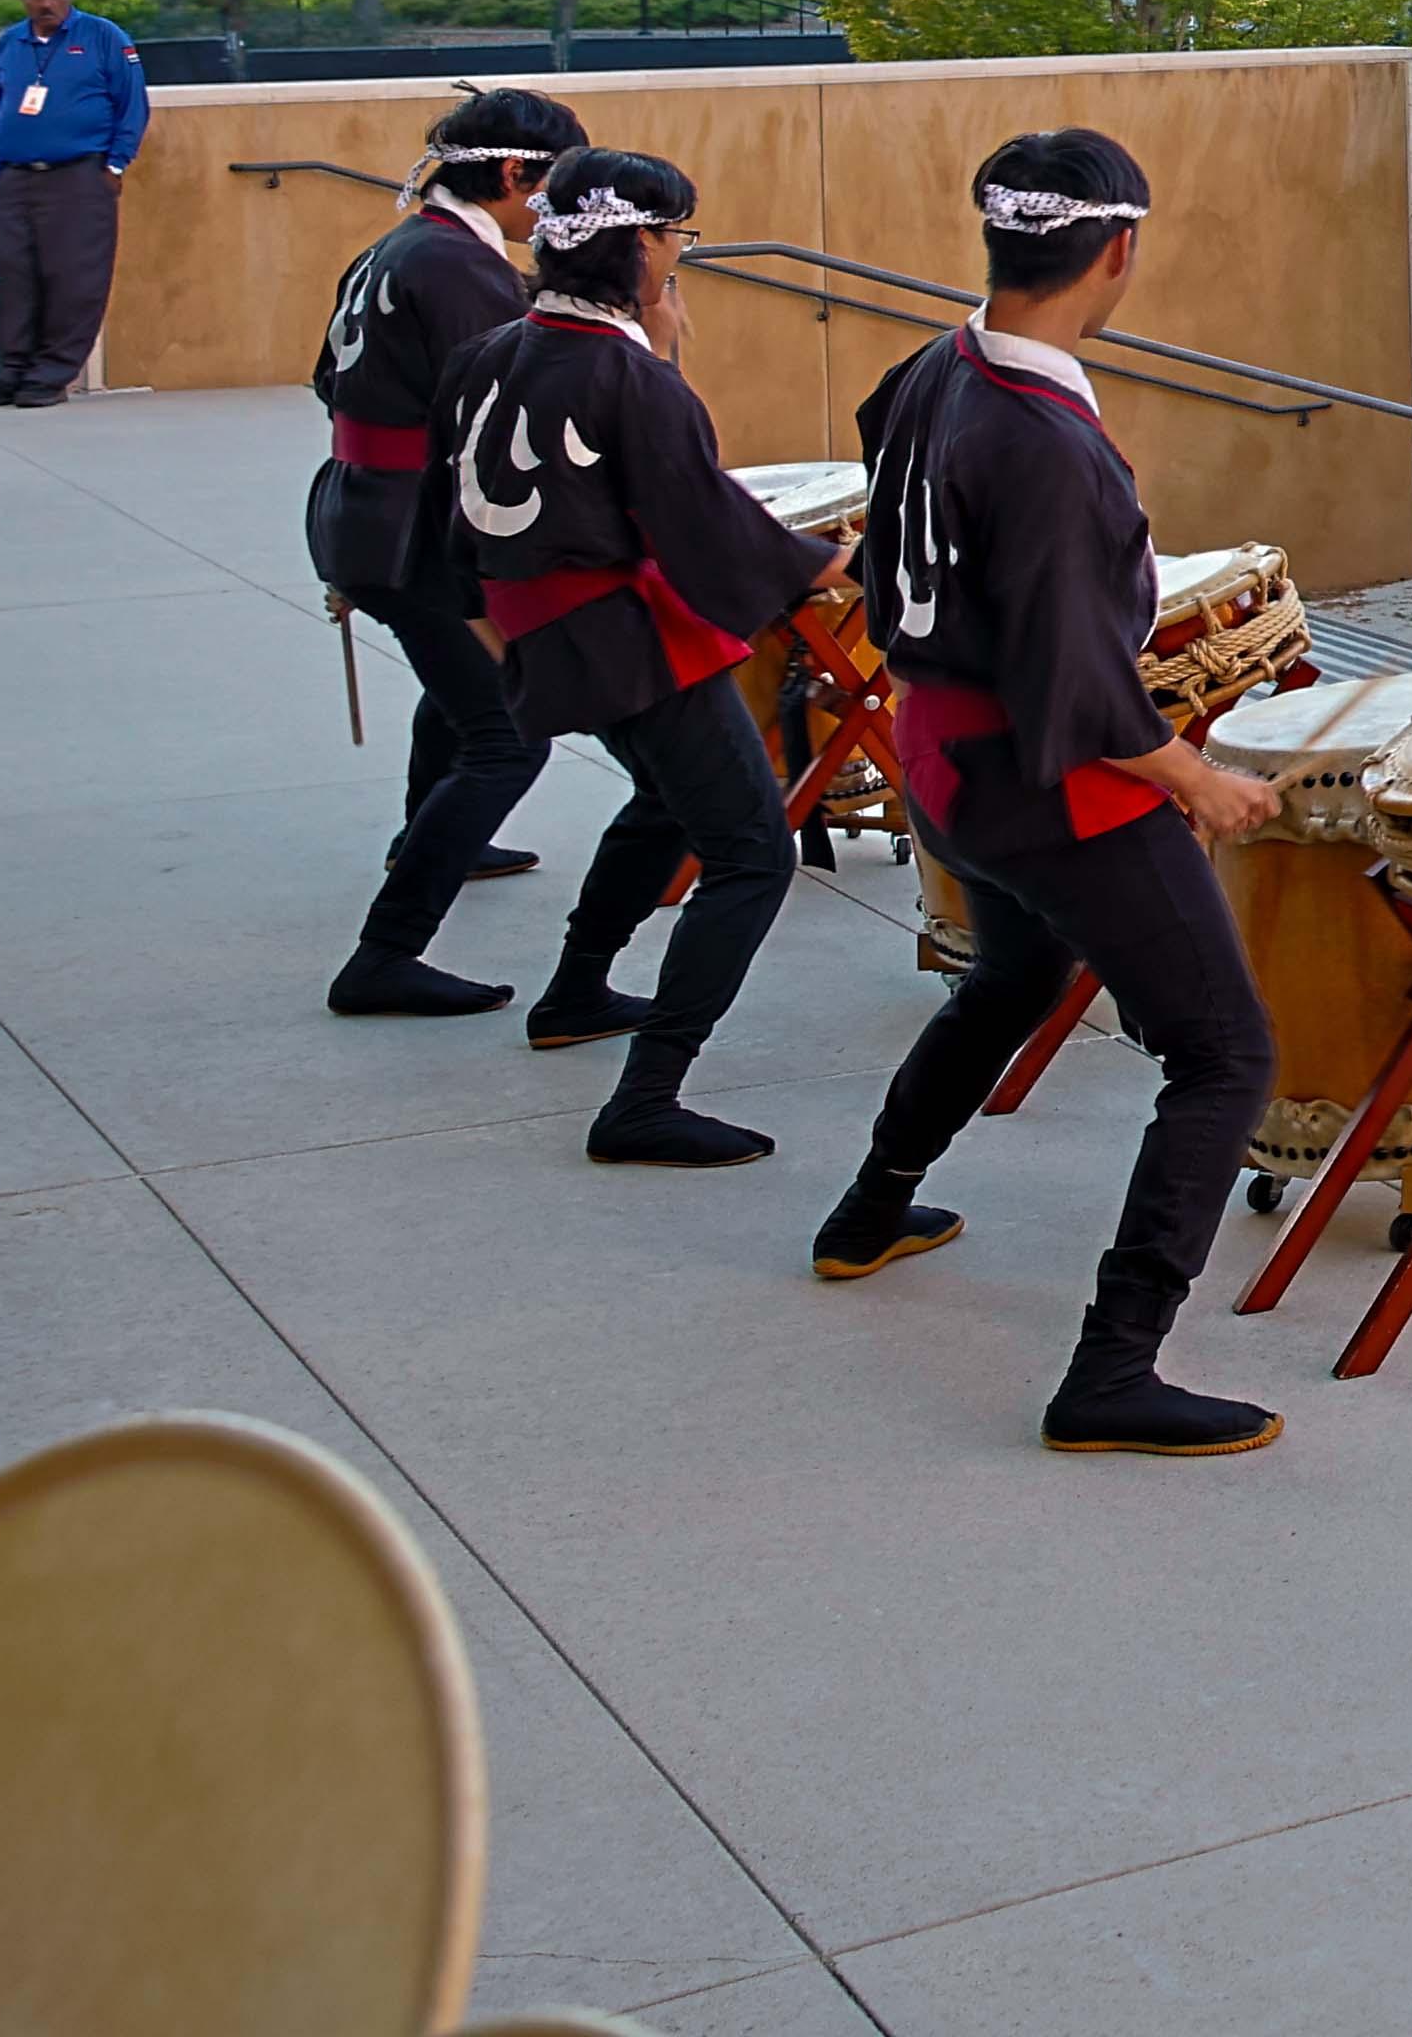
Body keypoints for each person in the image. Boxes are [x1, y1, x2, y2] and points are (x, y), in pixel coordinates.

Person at [810, 129, 1290, 1454]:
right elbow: (1080, 695)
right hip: (1052, 788)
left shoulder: (929, 372)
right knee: (1224, 1052)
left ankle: (870, 1208)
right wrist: (1199, 778)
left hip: (939, 760)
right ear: (1119, 251)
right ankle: (1113, 1367)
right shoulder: (1046, 443)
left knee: (1012, 975)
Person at [426, 146, 835, 1165]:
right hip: (626, 635)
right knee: (751, 850)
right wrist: (815, 565)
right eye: (677, 237)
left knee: (666, 801)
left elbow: (454, 530)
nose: (679, 259)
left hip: (548, 631)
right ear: (642, 243)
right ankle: (648, 1095)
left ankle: (574, 991)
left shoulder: (492, 352)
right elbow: (703, 528)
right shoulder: (626, 375)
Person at [309, 86, 591, 1019]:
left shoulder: (398, 247)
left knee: (458, 687)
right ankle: (385, 953)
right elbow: (501, 411)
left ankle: (431, 835)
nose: (553, 209)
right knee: (508, 736)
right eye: (552, 187)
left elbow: (329, 380)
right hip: (412, 523)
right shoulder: (460, 268)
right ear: (514, 174)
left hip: (364, 507)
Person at [0, 0, 143, 408]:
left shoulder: (104, 37)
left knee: (73, 281)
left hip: (79, 176)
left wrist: (116, 165)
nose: (45, 3)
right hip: (16, 179)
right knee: (14, 279)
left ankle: (48, 376)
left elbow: (132, 106)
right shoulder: (10, 43)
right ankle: (11, 370)